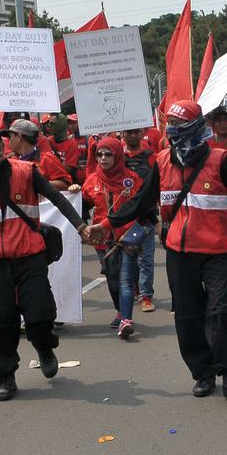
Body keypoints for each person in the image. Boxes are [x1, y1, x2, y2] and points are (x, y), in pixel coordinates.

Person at [89, 101, 227, 404]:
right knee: (187, 317)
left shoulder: (220, 160)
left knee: (219, 313)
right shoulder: (162, 161)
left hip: (216, 252)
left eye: (178, 124)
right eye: (169, 124)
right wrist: (106, 224)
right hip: (178, 253)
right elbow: (140, 202)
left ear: (194, 128)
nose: (172, 131)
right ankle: (202, 372)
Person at [0, 118, 92, 401]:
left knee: (39, 313)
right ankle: (5, 375)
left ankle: (43, 347)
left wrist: (80, 226)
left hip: (31, 256)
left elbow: (57, 197)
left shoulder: (26, 171)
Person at [83, 136, 151, 338]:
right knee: (112, 278)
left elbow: (141, 205)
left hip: (127, 238)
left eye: (108, 154)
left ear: (118, 155)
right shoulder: (91, 180)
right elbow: (84, 206)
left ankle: (125, 319)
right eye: (99, 154)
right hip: (102, 239)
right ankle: (120, 310)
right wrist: (74, 191)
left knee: (125, 280)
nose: (103, 158)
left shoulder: (131, 178)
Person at [119, 127, 158, 313]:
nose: (132, 135)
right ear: (122, 134)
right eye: (128, 132)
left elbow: (159, 184)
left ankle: (146, 296)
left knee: (146, 259)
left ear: (142, 133)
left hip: (146, 216)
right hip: (124, 218)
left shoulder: (151, 157)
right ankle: (133, 290)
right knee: (129, 259)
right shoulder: (116, 156)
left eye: (136, 132)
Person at [5, 118, 76, 191]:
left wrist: (38, 183)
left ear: (19, 137)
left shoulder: (47, 159)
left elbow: (66, 184)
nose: (8, 140)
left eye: (10, 136)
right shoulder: (10, 161)